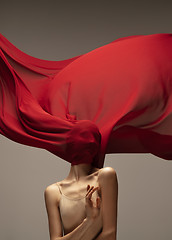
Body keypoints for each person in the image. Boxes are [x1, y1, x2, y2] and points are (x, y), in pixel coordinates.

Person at [44, 123, 118, 240]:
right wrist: (89, 222)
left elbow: (109, 235)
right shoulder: (53, 192)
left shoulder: (105, 176)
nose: (87, 142)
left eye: (91, 139)